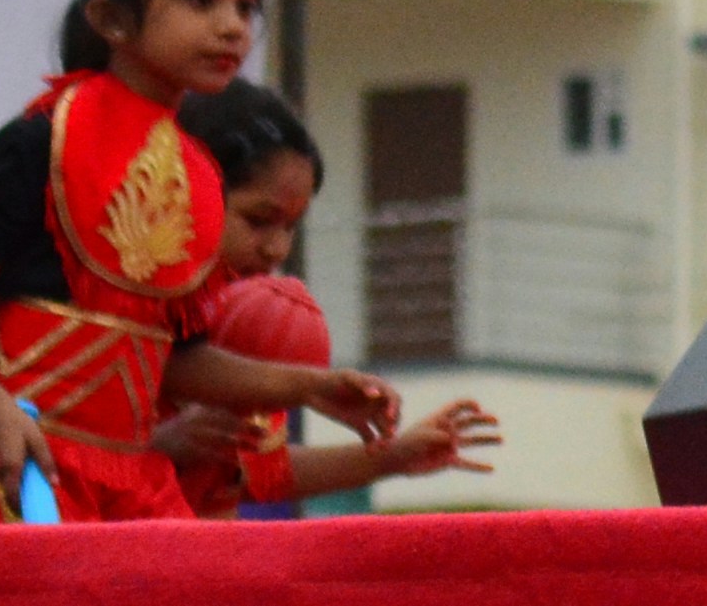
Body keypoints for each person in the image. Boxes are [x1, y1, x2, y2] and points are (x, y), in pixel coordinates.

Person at [0, 0, 402, 521]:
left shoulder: (199, 176)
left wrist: (312, 387)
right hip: (34, 468)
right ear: (112, 19)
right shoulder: (42, 141)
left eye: (246, 5)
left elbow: (172, 361)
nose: (232, 25)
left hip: (133, 478)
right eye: (202, 0)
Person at [154, 83, 498, 514]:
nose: (276, 249)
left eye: (291, 227)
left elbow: (262, 471)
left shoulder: (255, 323)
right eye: (259, 220)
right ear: (185, 192)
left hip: (199, 562)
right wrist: (158, 446)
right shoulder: (118, 309)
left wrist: (395, 457)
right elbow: (61, 447)